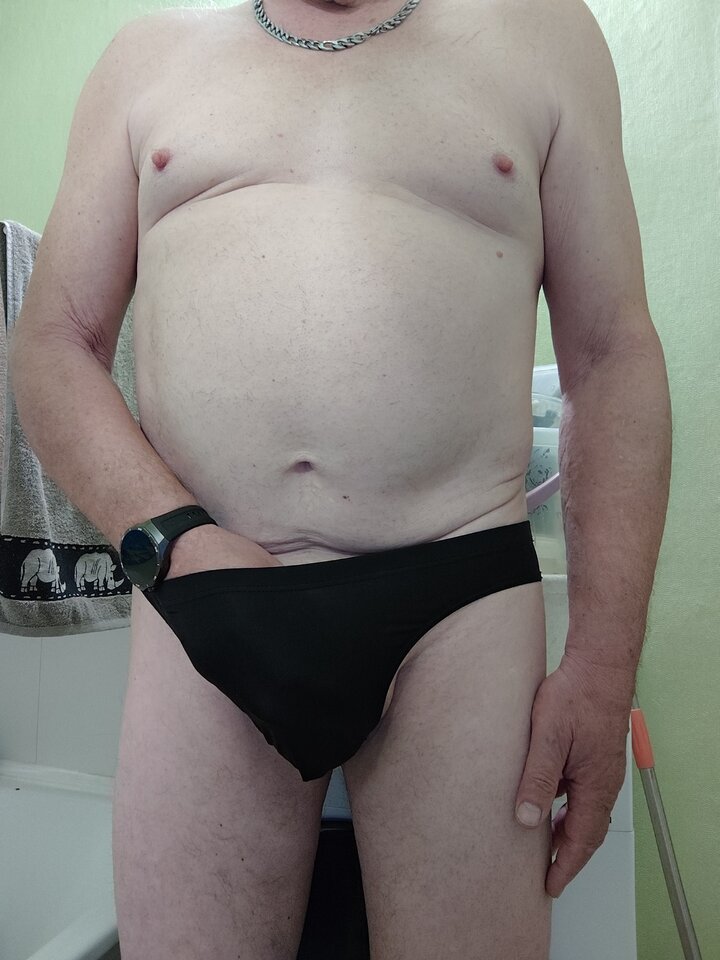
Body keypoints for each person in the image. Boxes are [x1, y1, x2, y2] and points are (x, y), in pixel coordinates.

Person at [9, 0, 672, 957]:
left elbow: (611, 357)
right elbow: (54, 343)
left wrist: (604, 674)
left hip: (460, 601)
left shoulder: (542, 34)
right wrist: (174, 543)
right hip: (210, 592)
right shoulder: (145, 56)